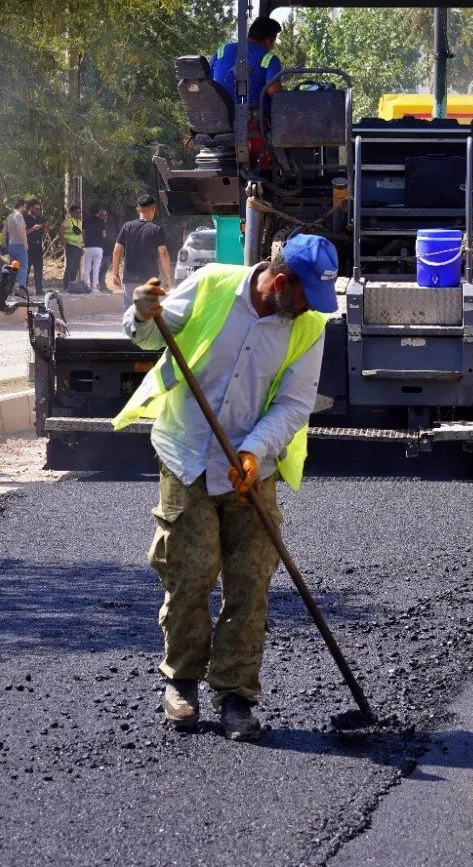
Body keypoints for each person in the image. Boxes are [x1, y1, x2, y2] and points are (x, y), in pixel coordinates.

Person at [115, 234, 339, 742]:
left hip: (250, 470)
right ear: (280, 282)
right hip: (188, 455)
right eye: (306, 297)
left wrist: (253, 452)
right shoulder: (213, 284)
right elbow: (150, 339)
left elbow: (294, 404)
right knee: (190, 572)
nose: (311, 310)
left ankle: (236, 695)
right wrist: (142, 312)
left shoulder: (307, 327)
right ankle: (183, 682)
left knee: (251, 579)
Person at [110, 195, 173, 310]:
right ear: (153, 209)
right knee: (148, 317)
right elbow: (163, 254)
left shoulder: (127, 227)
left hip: (130, 280)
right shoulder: (157, 229)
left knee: (130, 315)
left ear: (138, 209)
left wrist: (115, 274)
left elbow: (116, 252)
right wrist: (168, 278)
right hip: (149, 280)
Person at [211, 16, 284, 111]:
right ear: (269, 39)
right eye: (273, 41)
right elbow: (274, 92)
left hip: (220, 116)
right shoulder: (270, 58)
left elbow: (209, 79)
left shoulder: (222, 50)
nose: (272, 46)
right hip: (255, 119)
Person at [83, 206, 110, 293]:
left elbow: (83, 233)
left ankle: (85, 286)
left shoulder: (86, 220)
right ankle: (94, 288)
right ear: (98, 212)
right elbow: (103, 235)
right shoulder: (101, 221)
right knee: (96, 268)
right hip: (98, 247)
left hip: (88, 247)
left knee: (87, 267)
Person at [3, 199, 29, 286]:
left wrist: (4, 244)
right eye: (25, 207)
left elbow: (4, 232)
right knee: (22, 267)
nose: (25, 209)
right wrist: (25, 243)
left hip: (11, 245)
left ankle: (10, 287)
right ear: (21, 206)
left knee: (13, 267)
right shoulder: (18, 215)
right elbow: (21, 230)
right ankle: (21, 287)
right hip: (19, 244)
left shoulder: (9, 216)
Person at [24, 199, 47, 294]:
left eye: (39, 209)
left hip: (38, 246)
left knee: (39, 269)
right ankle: (23, 289)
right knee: (26, 269)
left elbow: (43, 233)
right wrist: (33, 228)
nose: (38, 211)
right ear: (30, 208)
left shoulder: (39, 219)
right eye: (36, 209)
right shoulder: (25, 218)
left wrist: (45, 227)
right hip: (28, 247)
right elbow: (23, 232)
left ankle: (39, 290)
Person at [62, 204, 85, 289]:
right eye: (77, 212)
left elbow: (80, 236)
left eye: (80, 212)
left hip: (78, 247)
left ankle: (71, 285)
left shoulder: (79, 222)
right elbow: (60, 230)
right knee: (69, 266)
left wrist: (82, 247)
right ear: (71, 212)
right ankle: (66, 286)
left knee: (75, 267)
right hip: (71, 246)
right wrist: (64, 242)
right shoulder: (68, 220)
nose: (78, 214)